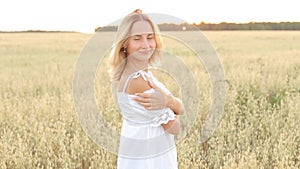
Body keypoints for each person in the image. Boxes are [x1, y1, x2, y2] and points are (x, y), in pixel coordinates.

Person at [108, 9, 185, 169]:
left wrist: (169, 102)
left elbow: (179, 110)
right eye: (137, 39)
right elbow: (176, 128)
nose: (146, 45)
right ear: (124, 44)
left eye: (150, 37)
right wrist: (172, 102)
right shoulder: (139, 81)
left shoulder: (136, 73)